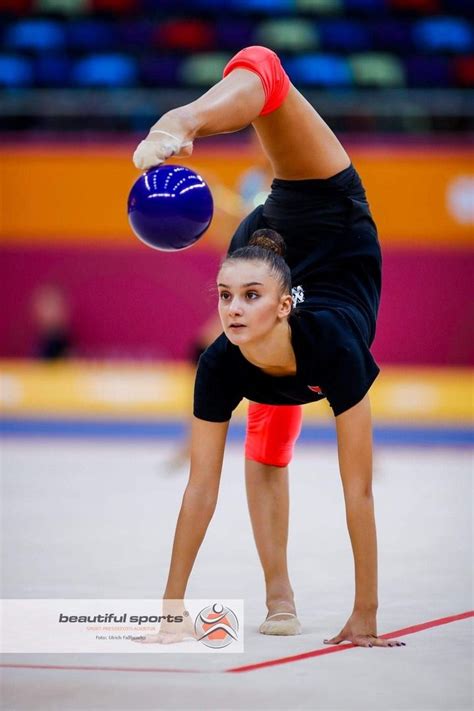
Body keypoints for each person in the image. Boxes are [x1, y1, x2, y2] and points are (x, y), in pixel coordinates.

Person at [133, 46, 405, 648]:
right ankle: (278, 593)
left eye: (243, 299)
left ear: (281, 304)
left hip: (325, 214)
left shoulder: (331, 346)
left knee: (260, 62)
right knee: (267, 448)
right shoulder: (225, 356)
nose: (228, 311)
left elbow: (356, 490)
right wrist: (170, 612)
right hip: (267, 253)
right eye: (223, 298)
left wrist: (366, 614)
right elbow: (200, 488)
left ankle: (182, 121)